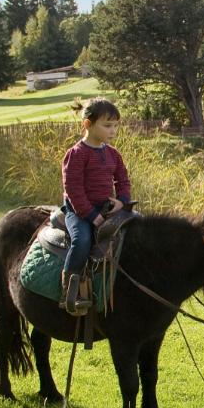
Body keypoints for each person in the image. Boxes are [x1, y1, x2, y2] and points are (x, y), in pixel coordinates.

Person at [60, 98, 132, 315]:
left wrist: (122, 201)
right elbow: (74, 189)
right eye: (107, 125)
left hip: (106, 207)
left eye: (116, 125)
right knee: (81, 240)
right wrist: (91, 215)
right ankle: (69, 288)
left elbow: (123, 180)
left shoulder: (113, 153)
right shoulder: (76, 154)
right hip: (79, 211)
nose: (113, 130)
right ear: (88, 125)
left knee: (139, 227)